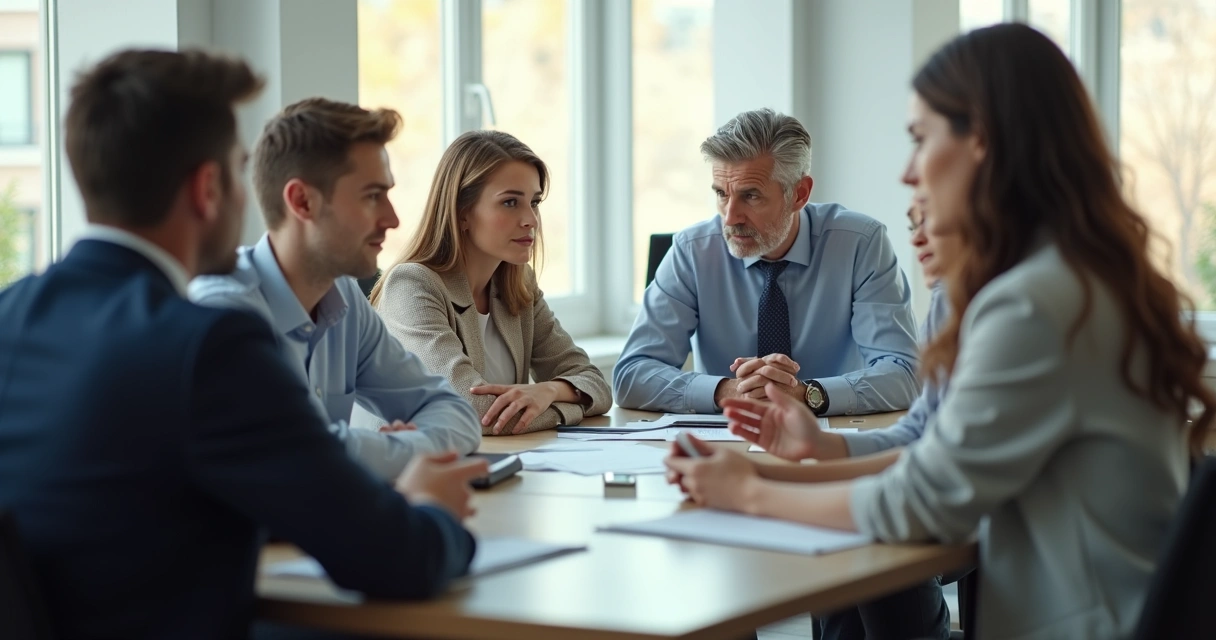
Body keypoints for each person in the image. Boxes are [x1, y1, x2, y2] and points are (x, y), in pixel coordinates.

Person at [665, 24, 1214, 640]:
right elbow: (929, 445)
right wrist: (806, 455)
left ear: (981, 142)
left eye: (920, 139)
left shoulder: (1037, 304)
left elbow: (925, 502)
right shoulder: (1067, 278)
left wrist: (752, 494)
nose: (908, 172)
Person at [0, 49, 487, 639]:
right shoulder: (206, 344)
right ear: (208, 188)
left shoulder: (13, 312)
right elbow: (396, 560)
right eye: (237, 168)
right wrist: (429, 506)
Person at [190, 98, 480, 480]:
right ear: (302, 202)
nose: (392, 219)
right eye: (372, 196)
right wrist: (397, 452)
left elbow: (456, 411)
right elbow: (296, 457)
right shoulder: (224, 313)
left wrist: (372, 451)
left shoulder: (343, 298)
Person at [729, 203, 955, 640]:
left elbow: (941, 472)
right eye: (914, 222)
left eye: (935, 217)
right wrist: (822, 448)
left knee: (871, 549)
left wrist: (753, 491)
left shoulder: (1020, 311)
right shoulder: (952, 297)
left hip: (1068, 598)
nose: (916, 238)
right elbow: (920, 433)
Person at [613, 108, 920, 417]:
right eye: (721, 194)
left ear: (799, 194)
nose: (730, 217)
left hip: (835, 441)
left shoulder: (860, 244)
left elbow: (905, 374)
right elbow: (631, 377)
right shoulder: (692, 251)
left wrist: (806, 394)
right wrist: (729, 391)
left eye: (751, 196)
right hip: (725, 446)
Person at [369, 130, 611, 435]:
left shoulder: (518, 285)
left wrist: (547, 391)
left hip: (493, 462)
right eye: (510, 202)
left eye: (534, 202)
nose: (531, 220)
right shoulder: (412, 286)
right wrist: (570, 405)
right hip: (407, 471)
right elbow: (472, 411)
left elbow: (595, 384)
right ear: (462, 213)